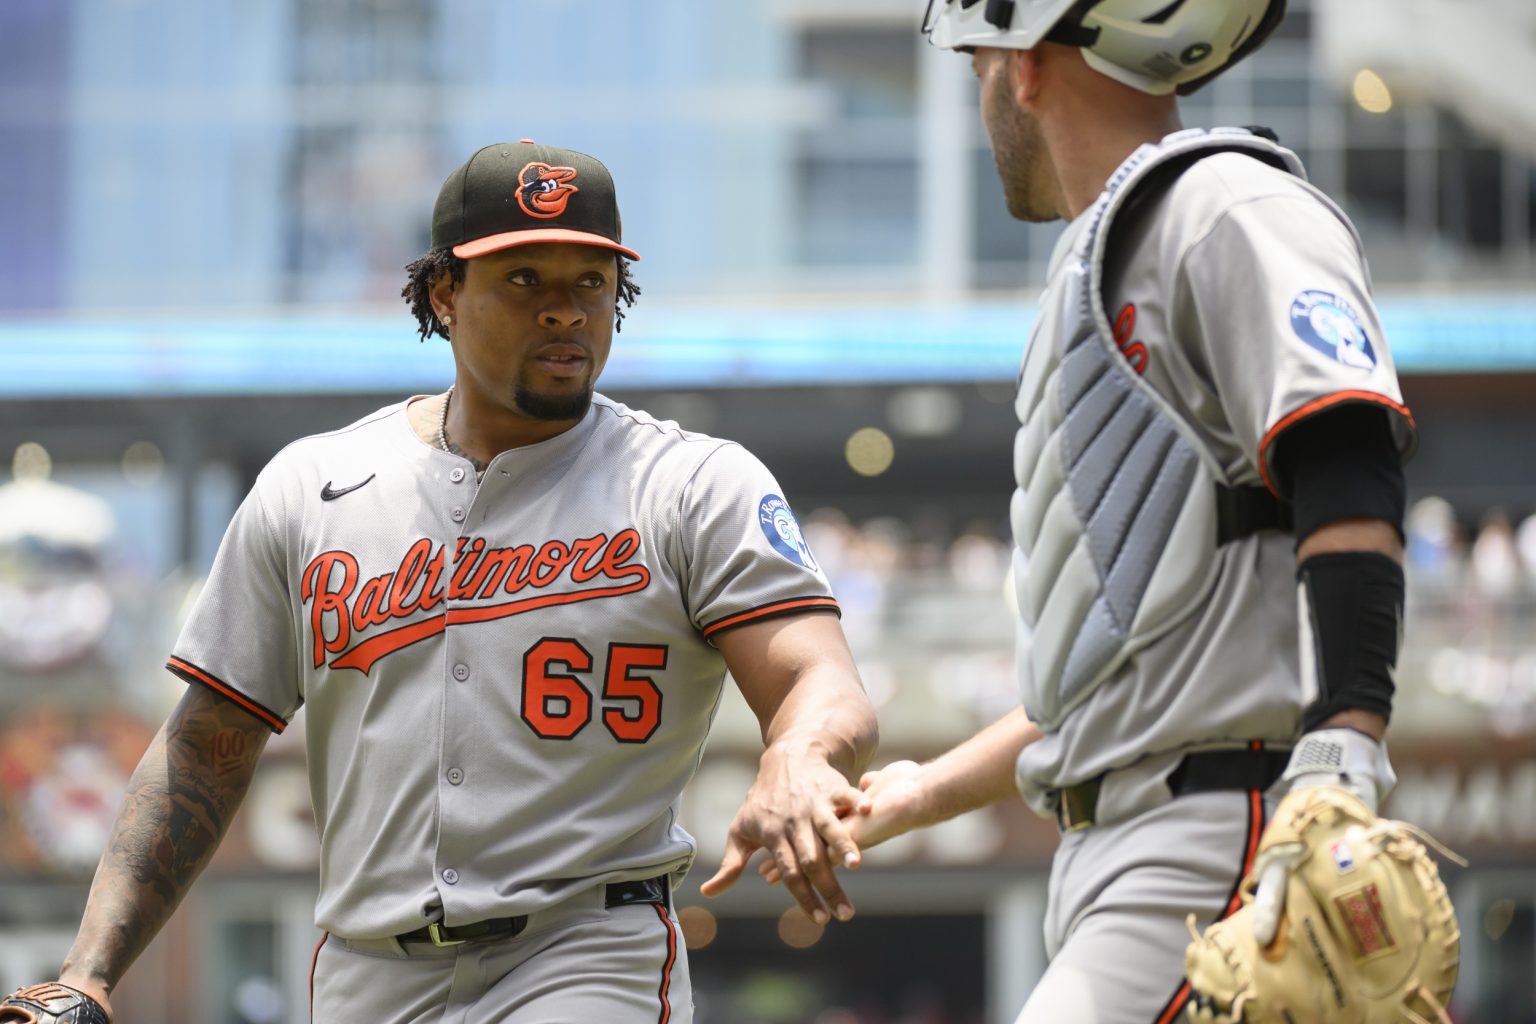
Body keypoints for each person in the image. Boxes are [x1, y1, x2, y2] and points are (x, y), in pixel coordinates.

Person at [24, 140, 878, 1024]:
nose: (564, 312)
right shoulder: (313, 485)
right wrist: (88, 971)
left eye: (590, 283)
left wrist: (799, 755)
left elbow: (819, 678)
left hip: (584, 953)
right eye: (524, 280)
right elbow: (206, 743)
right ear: (444, 294)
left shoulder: (693, 484)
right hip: (365, 970)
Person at [836, 2, 1438, 1021]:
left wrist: (1346, 740)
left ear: (1024, 67)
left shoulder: (1223, 200)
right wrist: (923, 791)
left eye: (980, 67)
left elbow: (1346, 454)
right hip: (1120, 842)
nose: (983, 93)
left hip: (1220, 831)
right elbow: (1121, 660)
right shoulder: (1103, 255)